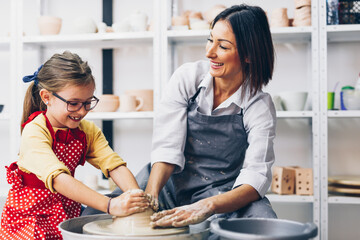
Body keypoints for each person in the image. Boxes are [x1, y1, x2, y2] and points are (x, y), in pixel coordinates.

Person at [83, 3, 277, 234]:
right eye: (210, 39)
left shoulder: (258, 105)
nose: (209, 52)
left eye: (222, 46)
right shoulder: (189, 78)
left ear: (248, 55)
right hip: (168, 183)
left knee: (265, 224)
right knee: (91, 217)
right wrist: (151, 196)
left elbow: (256, 177)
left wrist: (208, 206)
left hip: (222, 192)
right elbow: (168, 146)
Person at [0, 51, 149, 240]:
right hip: (30, 218)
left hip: (67, 210)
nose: (81, 111)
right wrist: (111, 206)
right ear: (47, 97)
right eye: (73, 103)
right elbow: (57, 179)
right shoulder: (35, 131)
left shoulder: (87, 130)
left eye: (88, 103)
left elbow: (113, 165)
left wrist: (136, 198)